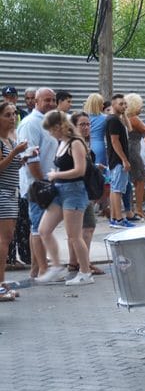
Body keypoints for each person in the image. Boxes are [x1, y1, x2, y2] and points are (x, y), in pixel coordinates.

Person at [36, 110, 93, 286]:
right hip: (60, 191)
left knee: (74, 236)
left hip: (74, 191)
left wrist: (56, 175)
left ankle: (85, 272)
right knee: (44, 230)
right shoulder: (62, 142)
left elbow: (79, 170)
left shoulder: (75, 143)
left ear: (59, 127)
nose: (50, 134)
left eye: (51, 130)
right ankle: (56, 266)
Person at [16, 88, 58, 280]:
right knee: (39, 228)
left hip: (46, 182)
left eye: (53, 100)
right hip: (37, 185)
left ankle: (35, 269)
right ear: (36, 102)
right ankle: (42, 269)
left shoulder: (47, 122)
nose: (50, 103)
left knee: (41, 227)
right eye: (46, 100)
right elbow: (31, 159)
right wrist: (43, 183)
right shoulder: (30, 123)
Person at [66, 112, 102, 275]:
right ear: (74, 126)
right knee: (88, 228)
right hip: (79, 192)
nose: (86, 127)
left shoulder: (78, 143)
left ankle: (75, 263)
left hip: (78, 191)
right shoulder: (75, 144)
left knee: (75, 231)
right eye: (82, 124)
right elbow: (77, 169)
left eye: (88, 124)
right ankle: (84, 264)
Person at [0, 101, 27, 300]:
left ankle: (2, 283)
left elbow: (10, 168)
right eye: (7, 115)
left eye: (13, 114)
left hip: (11, 192)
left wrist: (22, 159)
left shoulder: (9, 139)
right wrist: (16, 153)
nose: (12, 118)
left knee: (6, 241)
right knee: (3, 242)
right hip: (3, 194)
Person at [105, 94, 134, 228]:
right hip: (117, 160)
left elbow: (130, 129)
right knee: (117, 190)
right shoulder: (113, 120)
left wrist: (124, 114)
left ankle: (114, 217)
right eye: (120, 104)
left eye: (124, 104)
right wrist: (124, 160)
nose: (123, 106)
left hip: (115, 160)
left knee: (114, 189)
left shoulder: (117, 119)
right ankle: (118, 219)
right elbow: (114, 141)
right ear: (113, 105)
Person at [125, 94, 145, 220]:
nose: (142, 107)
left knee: (133, 180)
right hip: (134, 151)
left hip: (129, 150)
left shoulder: (125, 118)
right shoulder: (134, 118)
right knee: (140, 180)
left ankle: (132, 208)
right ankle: (139, 209)